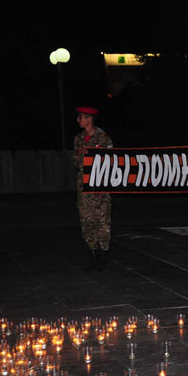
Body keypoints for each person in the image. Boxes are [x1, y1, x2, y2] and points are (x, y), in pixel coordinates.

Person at [72, 106, 113, 271]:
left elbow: (111, 161)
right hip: (84, 188)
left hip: (100, 188)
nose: (78, 120)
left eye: (81, 117)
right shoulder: (78, 138)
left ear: (89, 119)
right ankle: (92, 256)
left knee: (102, 222)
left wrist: (92, 154)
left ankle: (102, 258)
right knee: (86, 223)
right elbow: (75, 162)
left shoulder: (103, 138)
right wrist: (82, 155)